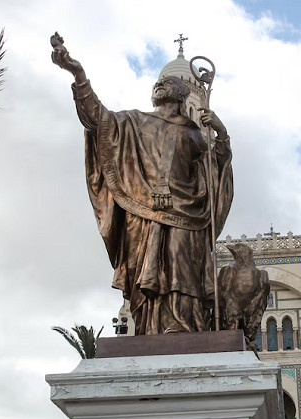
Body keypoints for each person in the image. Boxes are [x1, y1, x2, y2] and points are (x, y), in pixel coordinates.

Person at [51, 33, 233, 335]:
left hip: (184, 215)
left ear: (182, 95)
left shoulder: (196, 136)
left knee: (181, 271)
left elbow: (215, 175)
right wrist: (78, 74)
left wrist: (222, 136)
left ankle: (184, 328)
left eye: (166, 84)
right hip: (142, 212)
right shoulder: (132, 122)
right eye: (158, 84)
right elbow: (96, 118)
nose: (159, 86)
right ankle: (148, 331)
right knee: (143, 278)